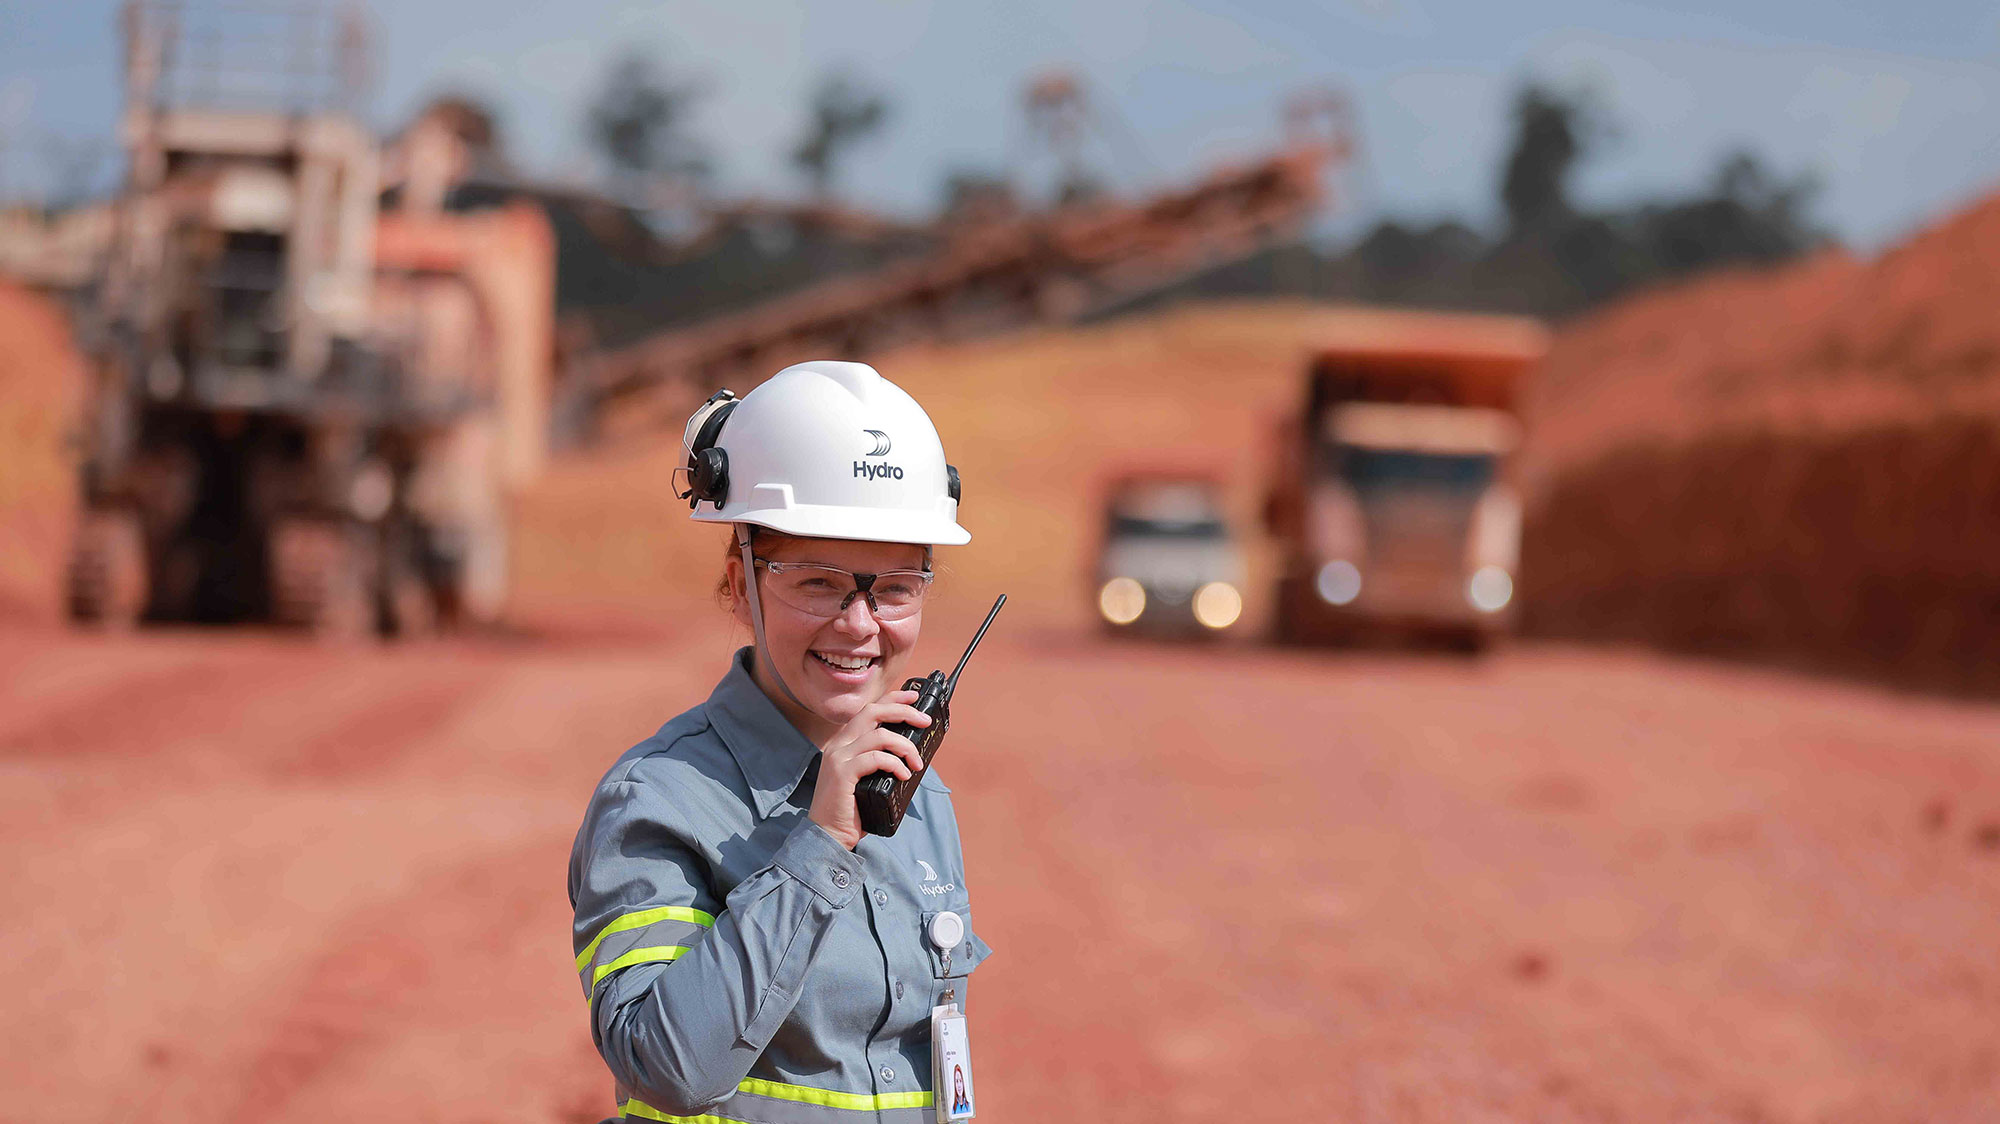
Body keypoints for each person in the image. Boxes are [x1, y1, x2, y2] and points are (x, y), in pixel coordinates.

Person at [569, 361, 992, 1124]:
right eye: (820, 582)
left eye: (896, 586)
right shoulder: (660, 800)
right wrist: (821, 843)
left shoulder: (915, 796)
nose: (861, 625)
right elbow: (668, 1070)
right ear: (741, 584)